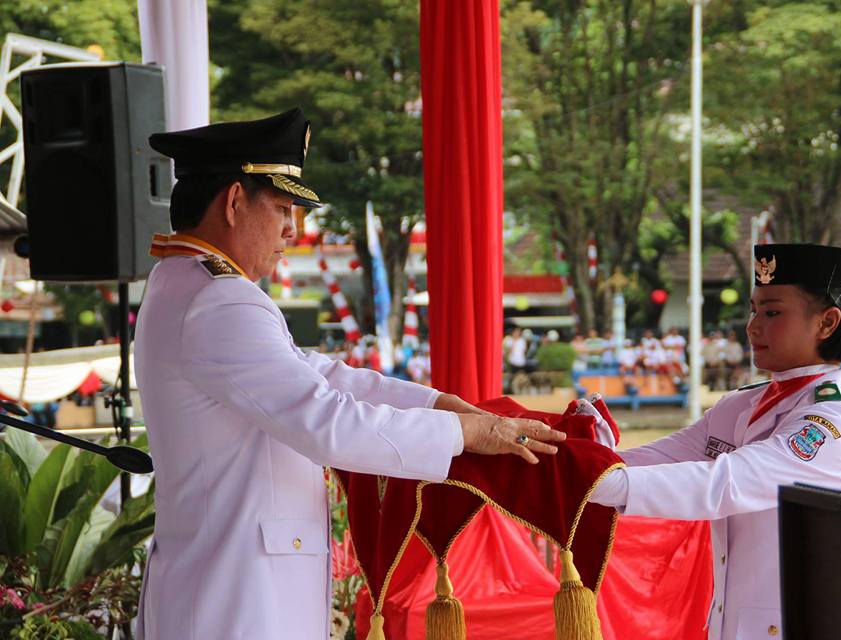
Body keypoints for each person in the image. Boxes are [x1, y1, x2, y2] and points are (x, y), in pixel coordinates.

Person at [135, 109, 566, 640]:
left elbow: (323, 377)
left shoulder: (183, 282)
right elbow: (328, 421)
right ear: (233, 201)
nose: (293, 230)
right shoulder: (220, 298)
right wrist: (468, 433)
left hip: (227, 584)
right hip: (239, 599)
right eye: (283, 208)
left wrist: (438, 405)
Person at [589, 243, 841, 640]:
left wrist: (591, 482)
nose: (753, 326)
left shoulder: (829, 426)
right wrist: (590, 458)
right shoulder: (744, 404)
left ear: (827, 323)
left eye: (773, 312)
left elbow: (720, 483)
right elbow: (665, 457)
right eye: (754, 310)